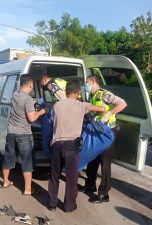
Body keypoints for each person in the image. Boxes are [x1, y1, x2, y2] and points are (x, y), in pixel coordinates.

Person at [48, 80, 105, 213]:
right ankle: (69, 206)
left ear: (67, 91)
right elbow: (102, 109)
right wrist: (93, 115)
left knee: (54, 175)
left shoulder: (56, 105)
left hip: (56, 144)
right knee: (72, 177)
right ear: (78, 92)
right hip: (71, 146)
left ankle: (52, 204)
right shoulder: (82, 105)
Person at [80, 75, 127, 204]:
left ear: (94, 82)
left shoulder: (104, 94)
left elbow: (122, 103)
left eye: (87, 83)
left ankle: (104, 193)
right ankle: (90, 185)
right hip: (97, 132)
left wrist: (109, 114)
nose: (86, 86)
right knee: (93, 159)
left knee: (105, 163)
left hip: (106, 134)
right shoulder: (93, 96)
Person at [2, 74, 46, 195]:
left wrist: (33, 101)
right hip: (24, 134)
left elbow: (22, 104)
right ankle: (27, 190)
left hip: (11, 132)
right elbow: (31, 119)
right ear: (30, 85)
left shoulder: (15, 94)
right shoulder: (27, 99)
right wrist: (41, 112)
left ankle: (5, 182)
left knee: (9, 157)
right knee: (27, 161)